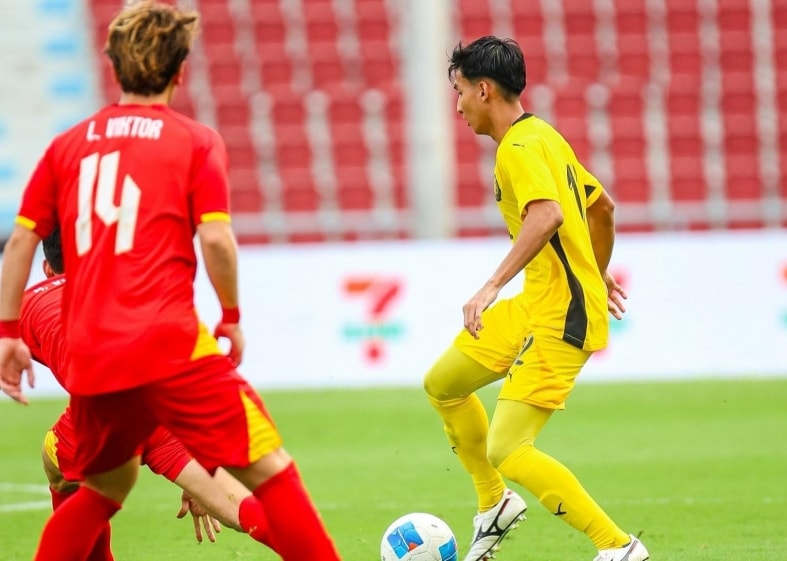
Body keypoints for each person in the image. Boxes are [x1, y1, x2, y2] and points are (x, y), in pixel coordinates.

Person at [0, 3, 341, 560]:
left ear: (113, 66)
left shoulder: (66, 147)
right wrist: (231, 316)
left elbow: (19, 243)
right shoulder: (194, 140)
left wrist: (8, 333)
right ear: (181, 71)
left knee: (101, 491)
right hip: (167, 342)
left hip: (96, 356)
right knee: (272, 470)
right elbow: (216, 240)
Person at [423, 36, 650, 561]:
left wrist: (491, 285)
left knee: (507, 447)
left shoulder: (518, 149)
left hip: (562, 315)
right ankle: (494, 503)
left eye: (460, 92)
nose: (458, 106)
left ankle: (618, 547)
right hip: (539, 302)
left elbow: (547, 214)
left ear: (484, 90)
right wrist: (593, 268)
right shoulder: (543, 135)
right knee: (444, 384)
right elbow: (602, 208)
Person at [26, 229, 274, 558]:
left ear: (47, 268)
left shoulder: (25, 305)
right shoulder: (130, 287)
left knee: (58, 463)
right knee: (240, 508)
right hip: (161, 404)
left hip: (104, 417)